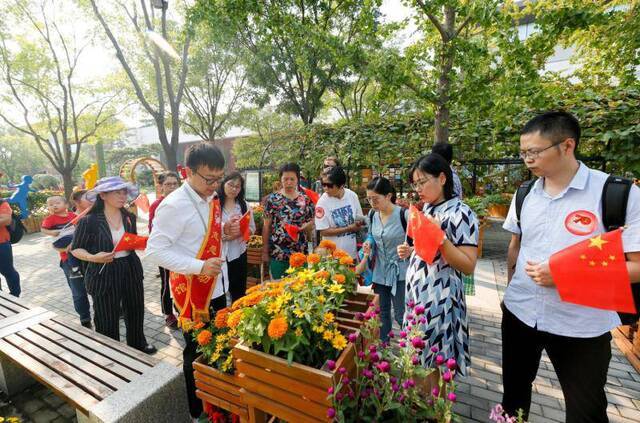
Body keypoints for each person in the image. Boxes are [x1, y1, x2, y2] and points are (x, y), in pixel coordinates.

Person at [500, 111, 640, 423]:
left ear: (567, 145)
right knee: (513, 400)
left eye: (535, 152)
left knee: (585, 410)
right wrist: (510, 291)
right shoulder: (525, 194)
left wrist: (566, 274)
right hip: (520, 315)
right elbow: (516, 247)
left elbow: (637, 267)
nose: (527, 159)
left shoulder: (616, 194)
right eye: (523, 152)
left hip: (581, 326)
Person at [146, 143, 234, 421]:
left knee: (219, 346)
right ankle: (198, 412)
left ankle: (218, 403)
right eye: (209, 179)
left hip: (217, 288)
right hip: (193, 295)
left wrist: (227, 234)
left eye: (218, 178)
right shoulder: (173, 205)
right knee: (196, 352)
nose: (214, 185)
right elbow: (155, 251)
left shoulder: (211, 198)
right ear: (188, 172)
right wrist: (199, 266)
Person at [397, 153, 479, 393]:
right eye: (415, 184)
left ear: (442, 178)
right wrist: (410, 249)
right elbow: (429, 251)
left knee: (437, 365)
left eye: (423, 182)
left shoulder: (461, 213)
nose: (418, 189)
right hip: (419, 297)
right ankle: (420, 407)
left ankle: (436, 411)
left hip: (440, 300)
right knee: (418, 357)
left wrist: (440, 238)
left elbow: (467, 264)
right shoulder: (429, 209)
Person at [71, 177, 155, 354]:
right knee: (106, 314)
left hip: (130, 267)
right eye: (117, 192)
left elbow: (130, 240)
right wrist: (94, 257)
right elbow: (76, 249)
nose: (123, 196)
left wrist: (137, 243)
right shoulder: (89, 221)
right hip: (103, 270)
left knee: (135, 307)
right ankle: (110, 350)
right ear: (103, 195)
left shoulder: (129, 217)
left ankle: (138, 343)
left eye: (124, 192)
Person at [363, 177, 409, 343]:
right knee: (382, 311)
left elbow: (419, 242)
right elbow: (371, 234)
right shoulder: (373, 214)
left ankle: (410, 347)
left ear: (388, 196)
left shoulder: (404, 215)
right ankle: (383, 345)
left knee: (401, 313)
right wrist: (368, 242)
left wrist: (410, 250)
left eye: (375, 199)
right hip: (380, 270)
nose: (372, 203)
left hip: (400, 271)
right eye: (369, 199)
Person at [41, 196, 91, 328]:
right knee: (79, 292)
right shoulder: (50, 219)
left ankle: (105, 312)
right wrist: (52, 233)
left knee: (95, 287)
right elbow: (43, 230)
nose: (54, 206)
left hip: (85, 255)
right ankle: (85, 319)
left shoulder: (72, 215)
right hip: (65, 250)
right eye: (51, 204)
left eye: (57, 203)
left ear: (66, 204)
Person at [262, 163, 315, 280]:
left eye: (292, 179)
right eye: (285, 179)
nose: (289, 182)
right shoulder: (272, 200)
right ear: (280, 179)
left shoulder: (305, 199)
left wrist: (308, 226)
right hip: (278, 254)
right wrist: (264, 251)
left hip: (300, 252)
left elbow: (312, 221)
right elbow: (266, 227)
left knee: (300, 290)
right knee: (279, 291)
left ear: (297, 180)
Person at [148, 171, 181, 329]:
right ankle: (168, 313)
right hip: (165, 252)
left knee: (181, 281)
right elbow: (152, 229)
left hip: (182, 250)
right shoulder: (157, 205)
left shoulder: (183, 201)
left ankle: (180, 307)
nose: (172, 187)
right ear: (161, 187)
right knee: (167, 283)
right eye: (168, 184)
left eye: (175, 184)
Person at [219, 172, 255, 303]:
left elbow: (252, 228)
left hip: (238, 254)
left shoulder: (244, 206)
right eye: (231, 185)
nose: (234, 189)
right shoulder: (214, 204)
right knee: (219, 293)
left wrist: (240, 233)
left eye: (238, 186)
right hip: (218, 256)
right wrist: (225, 235)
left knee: (238, 292)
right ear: (223, 184)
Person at [315, 166, 364, 259]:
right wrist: (348, 228)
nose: (325, 188)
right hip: (331, 258)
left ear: (341, 185)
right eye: (323, 184)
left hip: (351, 254)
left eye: (329, 185)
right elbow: (323, 231)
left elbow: (359, 219)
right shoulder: (322, 203)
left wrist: (359, 224)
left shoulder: (352, 196)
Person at [0, 198, 20, 297]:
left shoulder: (2, 203)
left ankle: (15, 296)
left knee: (7, 271)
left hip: (1, 243)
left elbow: (6, 220)